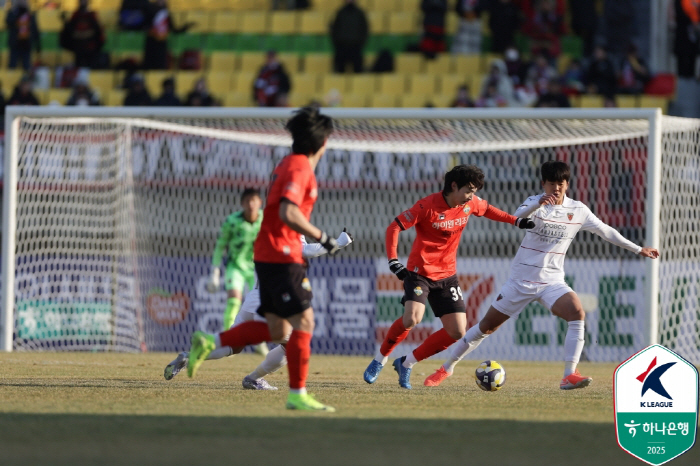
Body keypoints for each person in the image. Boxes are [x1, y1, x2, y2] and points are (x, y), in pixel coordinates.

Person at [424, 160, 660, 389]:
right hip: (520, 282)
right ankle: (447, 367)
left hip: (552, 282)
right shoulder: (535, 203)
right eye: (551, 183)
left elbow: (606, 231)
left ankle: (569, 375)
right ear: (543, 184)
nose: (556, 188)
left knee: (576, 313)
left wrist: (639, 249)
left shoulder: (578, 210)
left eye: (561, 183)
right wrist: (538, 203)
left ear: (567, 184)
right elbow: (518, 216)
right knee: (486, 327)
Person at [187, 106, 338, 412]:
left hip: (268, 254)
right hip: (282, 254)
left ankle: (210, 341)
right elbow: (288, 211)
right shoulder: (300, 169)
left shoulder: (285, 163)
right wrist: (322, 238)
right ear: (322, 142)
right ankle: (297, 393)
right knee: (303, 322)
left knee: (279, 331)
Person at [363, 165, 535, 389]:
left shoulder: (469, 203)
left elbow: (489, 209)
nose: (471, 196)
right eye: (468, 190)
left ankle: (407, 363)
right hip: (419, 273)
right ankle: (380, 360)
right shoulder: (427, 205)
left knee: (457, 331)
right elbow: (393, 228)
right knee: (412, 318)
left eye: (473, 192)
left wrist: (516, 221)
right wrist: (393, 260)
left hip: (447, 276)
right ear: (453, 186)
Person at [163, 231, 354, 387]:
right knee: (293, 345)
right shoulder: (285, 227)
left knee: (234, 346)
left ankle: (189, 357)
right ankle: (253, 379)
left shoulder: (268, 231)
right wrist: (338, 242)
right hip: (269, 301)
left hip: (253, 298)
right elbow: (305, 250)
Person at [207, 188, 264, 332]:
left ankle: (259, 343)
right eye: (247, 201)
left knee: (258, 305)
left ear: (260, 203)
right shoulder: (232, 222)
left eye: (254, 201)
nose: (251, 204)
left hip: (258, 268)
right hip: (235, 267)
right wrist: (215, 271)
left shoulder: (266, 219)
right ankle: (227, 340)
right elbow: (220, 247)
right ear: (242, 204)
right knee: (234, 300)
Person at [142, 0, 192, 70]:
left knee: (160, 66)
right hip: (152, 43)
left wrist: (185, 27)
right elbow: (145, 26)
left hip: (162, 43)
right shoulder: (149, 10)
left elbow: (173, 29)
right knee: (150, 65)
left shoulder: (166, 13)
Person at [60, 0, 105, 68]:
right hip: (78, 46)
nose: (83, 2)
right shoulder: (76, 15)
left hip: (90, 46)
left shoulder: (92, 15)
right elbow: (70, 31)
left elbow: (97, 31)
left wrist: (85, 35)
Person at [330, 0, 368, 73]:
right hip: (341, 47)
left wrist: (360, 44)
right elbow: (335, 30)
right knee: (339, 72)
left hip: (356, 47)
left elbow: (364, 30)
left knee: (358, 73)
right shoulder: (340, 12)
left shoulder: (360, 13)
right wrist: (338, 44)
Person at [6, 0, 41, 71]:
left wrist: (37, 43)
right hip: (15, 43)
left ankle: (26, 80)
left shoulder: (30, 14)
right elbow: (8, 21)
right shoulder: (13, 13)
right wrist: (15, 11)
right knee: (12, 65)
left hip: (26, 44)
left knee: (26, 66)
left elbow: (34, 28)